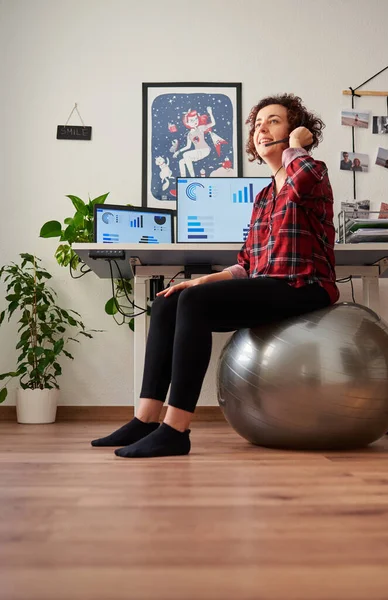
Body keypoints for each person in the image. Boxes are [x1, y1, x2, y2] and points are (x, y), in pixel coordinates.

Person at [91, 93, 339, 458]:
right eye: (257, 125)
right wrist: (203, 280)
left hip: (305, 287)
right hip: (271, 286)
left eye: (273, 121)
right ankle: (144, 420)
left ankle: (175, 429)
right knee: (170, 300)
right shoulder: (263, 198)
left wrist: (298, 147)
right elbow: (247, 264)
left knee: (193, 303)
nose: (262, 130)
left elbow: (301, 181)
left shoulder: (312, 172)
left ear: (295, 130)